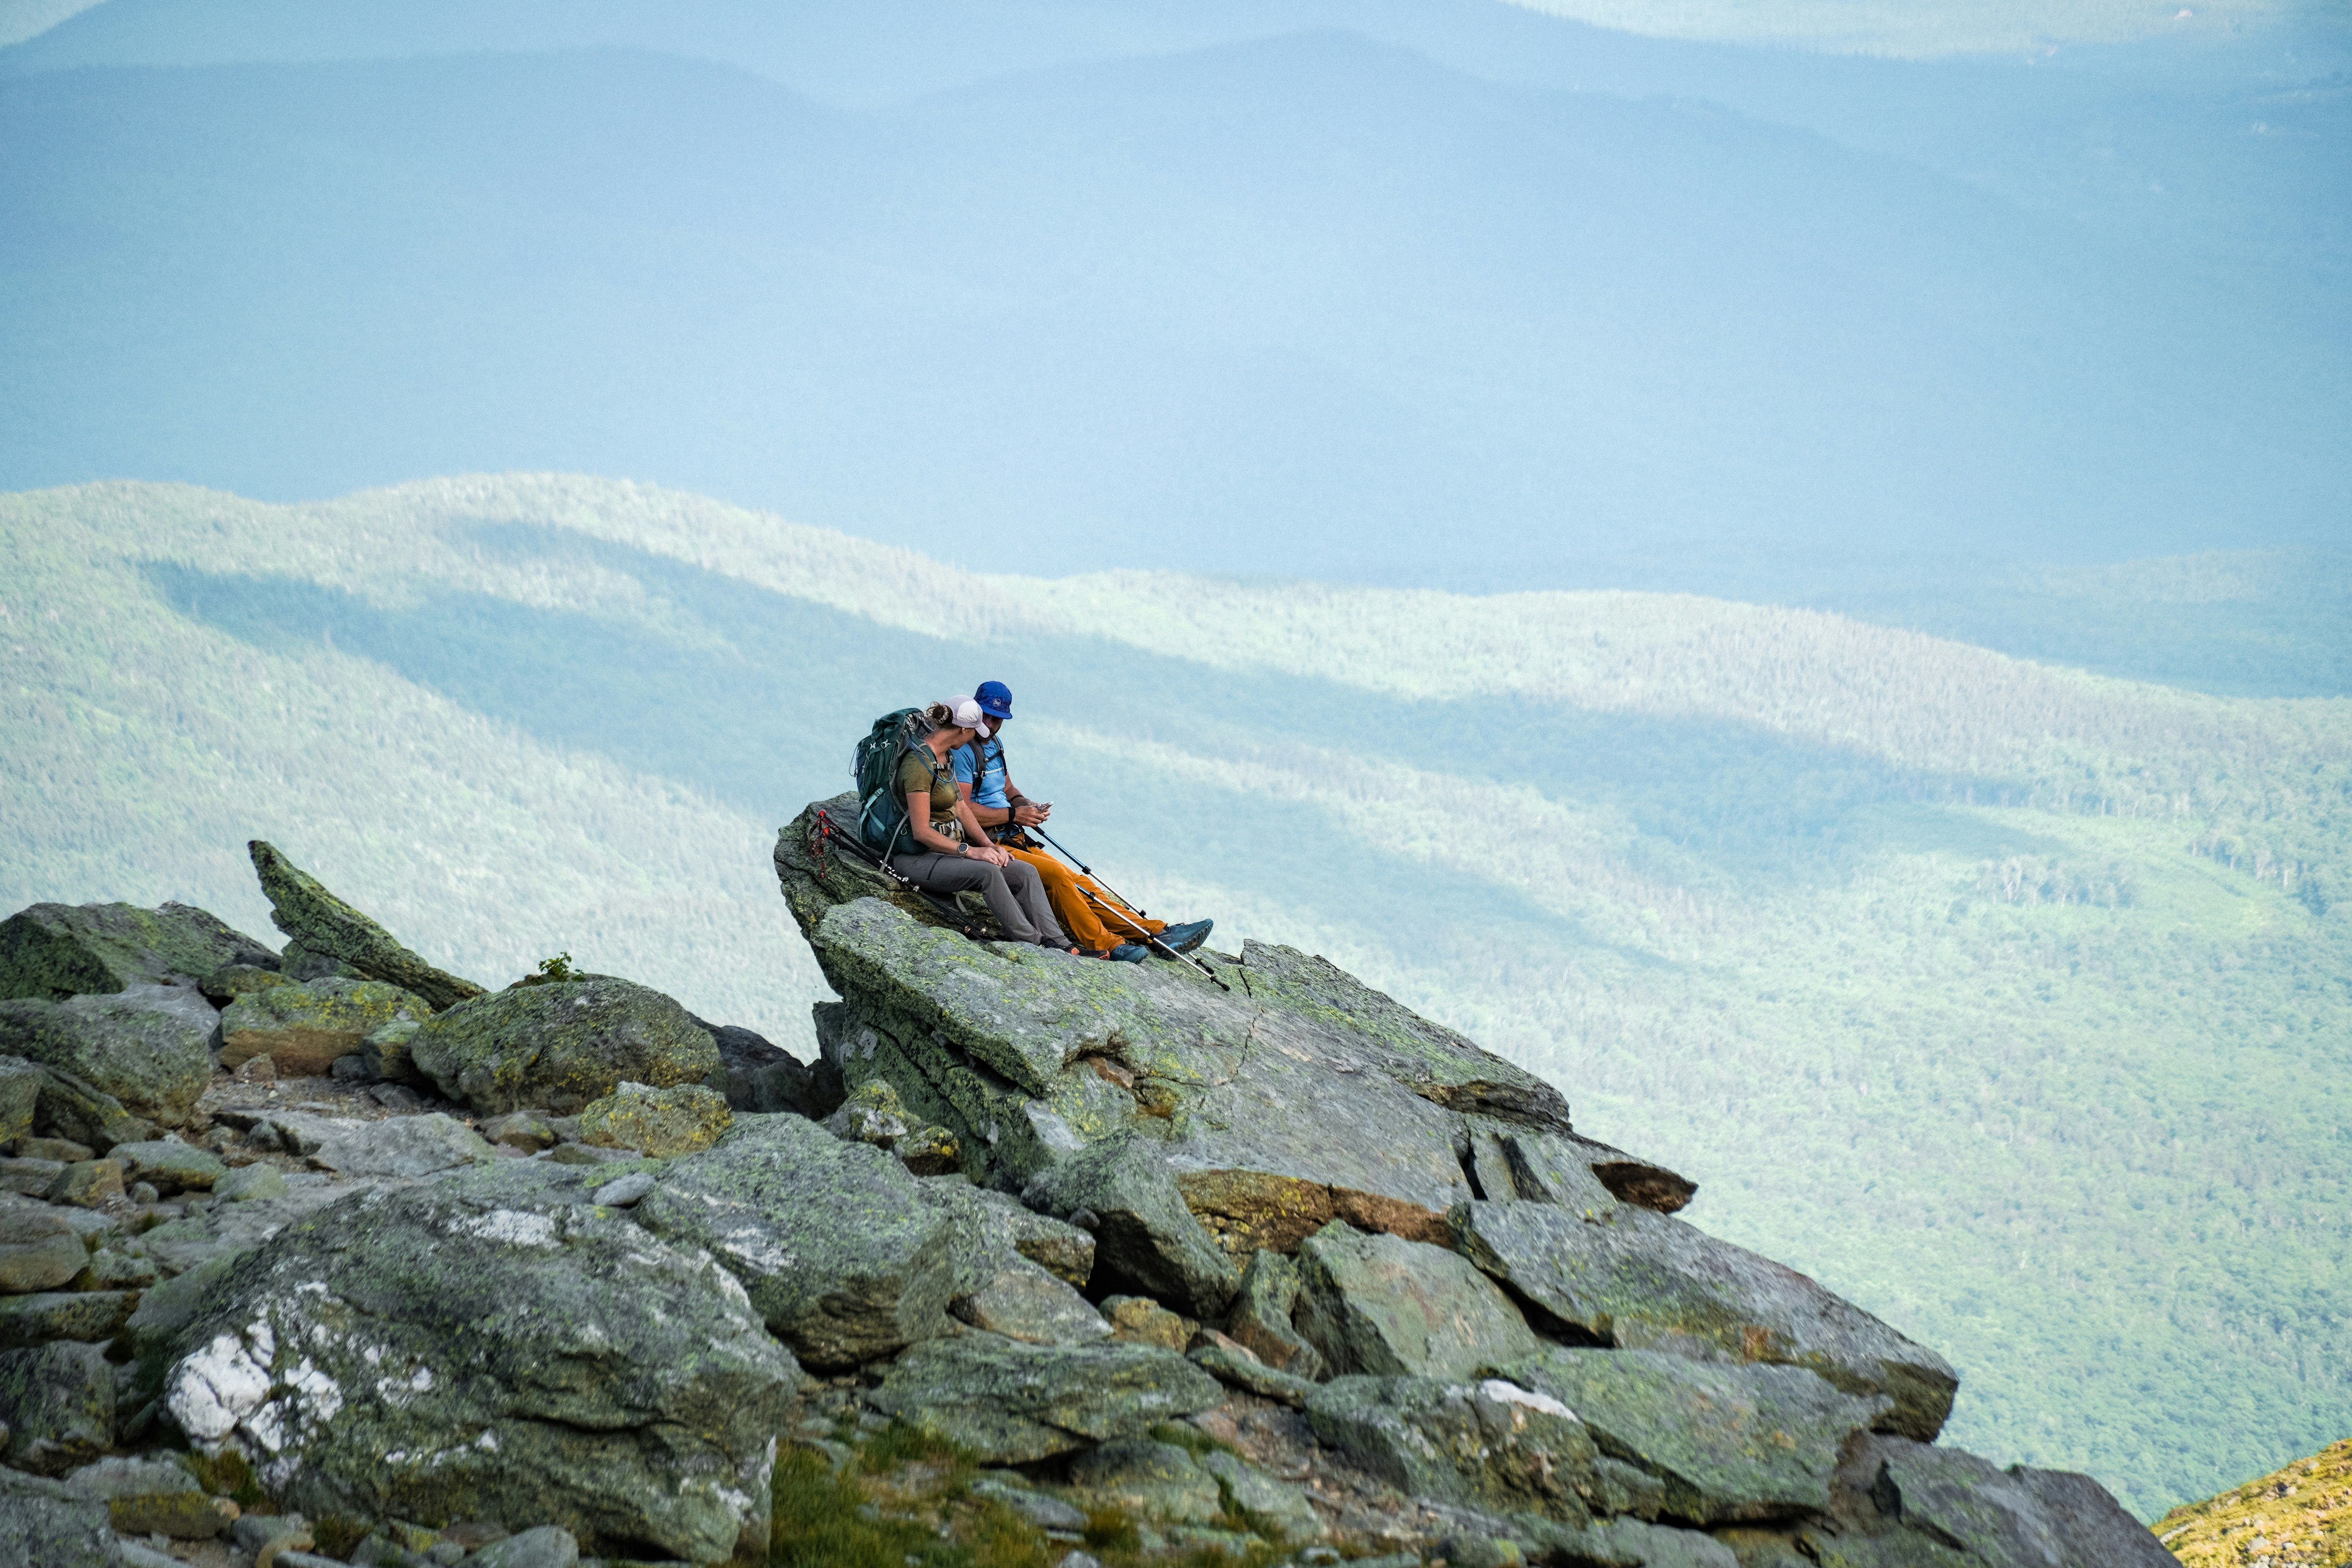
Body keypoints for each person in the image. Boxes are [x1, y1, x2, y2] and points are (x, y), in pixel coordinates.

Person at [954, 680, 1214, 962]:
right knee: (1057, 877)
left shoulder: (995, 745)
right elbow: (963, 809)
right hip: (988, 842)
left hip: (1012, 836)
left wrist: (1027, 806)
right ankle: (1110, 945)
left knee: (1081, 882)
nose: (990, 724)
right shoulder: (963, 749)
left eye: (997, 719)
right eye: (986, 716)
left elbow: (1007, 789)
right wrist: (1015, 815)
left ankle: (1158, 933)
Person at [889, 697, 1076, 953]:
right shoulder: (919, 765)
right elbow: (921, 832)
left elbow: (961, 807)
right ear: (963, 730)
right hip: (917, 858)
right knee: (987, 872)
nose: (976, 739)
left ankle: (1062, 945)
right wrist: (971, 851)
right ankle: (1034, 942)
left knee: (1025, 872)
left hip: (948, 854)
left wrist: (990, 846)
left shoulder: (945, 757)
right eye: (973, 732)